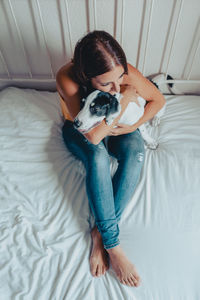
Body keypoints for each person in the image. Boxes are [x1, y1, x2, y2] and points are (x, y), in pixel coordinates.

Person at [56, 30, 165, 287]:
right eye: (107, 84)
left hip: (117, 125)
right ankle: (112, 245)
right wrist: (125, 100)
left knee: (136, 153)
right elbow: (93, 136)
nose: (117, 87)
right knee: (98, 158)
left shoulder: (121, 72)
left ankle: (100, 231)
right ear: (86, 76)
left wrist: (132, 125)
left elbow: (157, 100)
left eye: (120, 78)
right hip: (81, 129)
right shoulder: (67, 78)